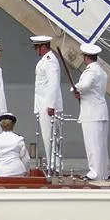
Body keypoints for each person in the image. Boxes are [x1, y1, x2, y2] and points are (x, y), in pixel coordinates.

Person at [72, 42, 109, 181]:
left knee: (93, 144)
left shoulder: (91, 71)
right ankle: (103, 173)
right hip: (100, 111)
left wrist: (75, 89)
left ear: (86, 57)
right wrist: (81, 93)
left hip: (91, 113)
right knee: (101, 145)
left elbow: (85, 85)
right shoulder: (102, 71)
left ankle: (94, 173)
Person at [30, 35, 63, 169]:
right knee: (48, 137)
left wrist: (51, 105)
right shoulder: (46, 60)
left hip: (48, 106)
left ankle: (54, 165)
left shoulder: (49, 61)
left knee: (51, 138)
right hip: (44, 104)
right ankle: (52, 164)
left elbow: (53, 83)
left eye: (36, 47)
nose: (35, 50)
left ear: (43, 47)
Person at [0, 113, 30, 177]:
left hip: (0, 172)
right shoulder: (19, 139)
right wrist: (26, 171)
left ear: (1, 125)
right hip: (18, 171)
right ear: (13, 125)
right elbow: (26, 159)